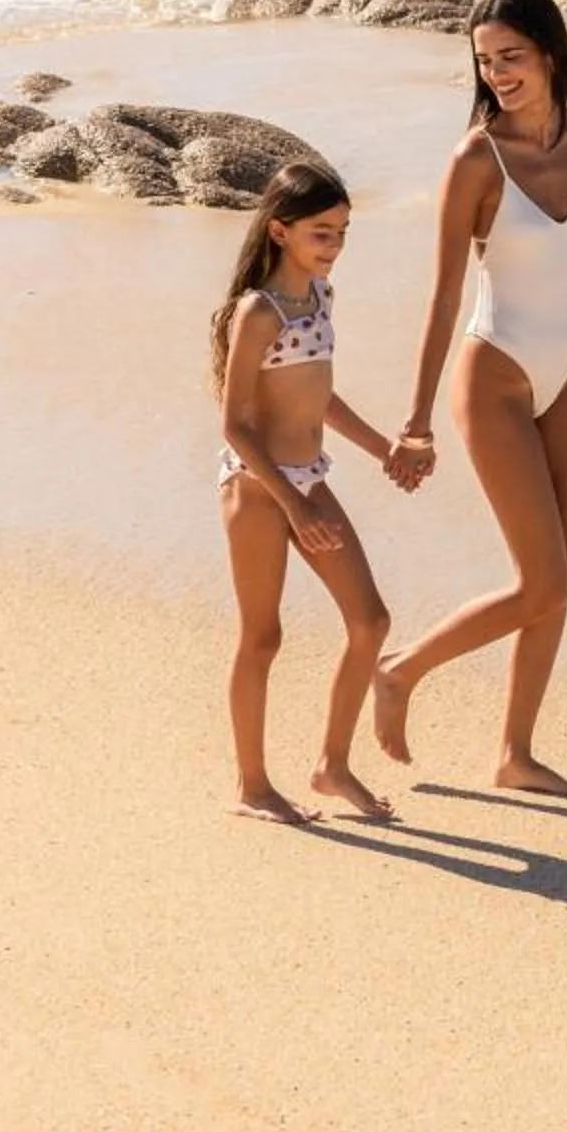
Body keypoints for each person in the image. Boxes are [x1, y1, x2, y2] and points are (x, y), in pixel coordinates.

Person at [372, 0, 567, 796]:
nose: (497, 74)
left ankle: (515, 755)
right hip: (496, 377)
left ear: (549, 52)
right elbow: (442, 296)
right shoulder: (476, 161)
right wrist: (416, 420)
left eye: (510, 56)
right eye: (484, 62)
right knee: (541, 579)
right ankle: (400, 671)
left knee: (561, 579)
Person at [212, 160, 411, 825]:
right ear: (280, 231)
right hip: (256, 486)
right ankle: (252, 787)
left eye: (343, 232)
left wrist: (384, 449)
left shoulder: (320, 297)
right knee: (262, 637)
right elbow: (235, 424)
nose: (335, 245)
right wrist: (293, 506)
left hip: (307, 477)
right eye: (322, 233)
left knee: (370, 622)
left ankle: (332, 766)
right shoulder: (258, 312)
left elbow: (319, 396)